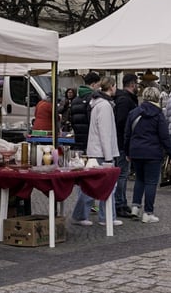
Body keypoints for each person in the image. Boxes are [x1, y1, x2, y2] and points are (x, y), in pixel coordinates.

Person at [71, 76, 123, 227]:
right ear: (112, 87)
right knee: (108, 186)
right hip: (102, 152)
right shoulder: (105, 106)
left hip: (96, 149)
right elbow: (105, 133)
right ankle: (106, 217)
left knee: (90, 185)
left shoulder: (98, 104)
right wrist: (108, 157)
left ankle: (83, 215)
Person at [125, 85, 171, 223]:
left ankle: (135, 207)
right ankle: (148, 213)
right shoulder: (158, 114)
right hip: (153, 152)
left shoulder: (134, 112)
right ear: (156, 98)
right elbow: (165, 136)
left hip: (136, 151)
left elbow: (127, 134)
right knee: (151, 182)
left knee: (139, 180)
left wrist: (127, 151)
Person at [113, 73, 139, 217]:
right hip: (122, 143)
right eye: (136, 83)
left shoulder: (124, 98)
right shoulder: (125, 100)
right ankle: (119, 204)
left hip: (123, 142)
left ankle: (122, 201)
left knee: (123, 174)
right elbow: (121, 122)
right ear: (132, 84)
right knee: (122, 174)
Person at [69, 71, 102, 152]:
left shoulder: (75, 100)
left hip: (77, 138)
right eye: (98, 85)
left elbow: (71, 119)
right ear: (93, 84)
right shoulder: (93, 99)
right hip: (90, 140)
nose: (99, 88)